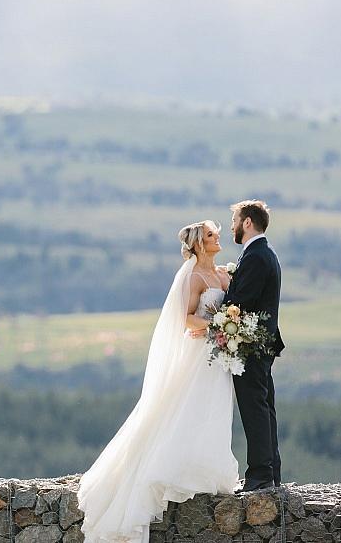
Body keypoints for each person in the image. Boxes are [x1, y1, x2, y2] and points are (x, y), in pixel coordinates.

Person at [78, 220, 239, 543]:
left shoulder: (223, 274)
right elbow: (186, 317)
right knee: (190, 406)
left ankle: (206, 469)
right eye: (210, 235)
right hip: (199, 353)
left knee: (214, 408)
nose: (216, 237)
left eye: (216, 233)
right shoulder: (193, 277)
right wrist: (218, 326)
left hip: (219, 354)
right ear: (197, 244)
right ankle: (173, 468)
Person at [226, 199, 284, 491]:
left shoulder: (256, 257)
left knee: (255, 409)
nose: (232, 227)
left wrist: (222, 310)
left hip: (251, 346)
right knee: (264, 407)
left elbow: (241, 303)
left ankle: (260, 475)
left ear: (247, 222)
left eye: (235, 220)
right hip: (261, 346)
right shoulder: (264, 254)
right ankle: (269, 472)